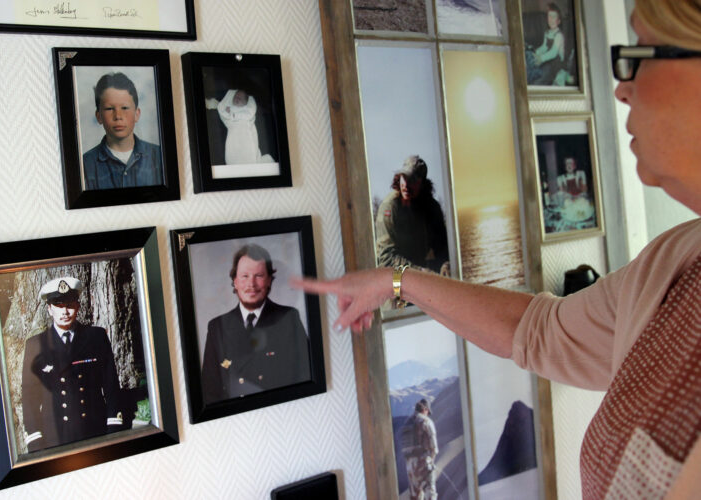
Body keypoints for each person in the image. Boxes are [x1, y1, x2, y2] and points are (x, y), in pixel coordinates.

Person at [292, 1, 701, 497]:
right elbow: (536, 331)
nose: (622, 86)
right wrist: (395, 280)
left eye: (639, 55)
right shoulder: (675, 262)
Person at [21, 277, 122, 453]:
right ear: (49, 309)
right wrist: (35, 439)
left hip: (94, 429)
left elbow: (111, 385)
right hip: (55, 435)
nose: (65, 311)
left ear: (78, 306)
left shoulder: (96, 337)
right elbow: (29, 398)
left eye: (69, 305)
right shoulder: (36, 345)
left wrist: (113, 425)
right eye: (59, 306)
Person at [201, 244, 311, 404]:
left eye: (258, 275)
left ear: (269, 281)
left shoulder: (288, 318)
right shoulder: (217, 327)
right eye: (245, 276)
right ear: (235, 281)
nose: (251, 284)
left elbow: (305, 377)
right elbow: (210, 391)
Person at [82, 72, 163, 190]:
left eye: (124, 108)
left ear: (137, 114)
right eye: (109, 109)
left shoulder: (159, 156)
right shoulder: (85, 164)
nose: (118, 116)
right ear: (99, 116)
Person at [375, 155, 450, 275]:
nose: (406, 185)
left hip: (420, 269)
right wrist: (420, 272)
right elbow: (386, 259)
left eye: (412, 180)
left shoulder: (431, 207)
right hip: (395, 275)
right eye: (404, 178)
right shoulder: (389, 208)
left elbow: (442, 247)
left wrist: (445, 265)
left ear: (422, 183)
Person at [205, 89, 275, 166]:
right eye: (236, 96)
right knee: (234, 149)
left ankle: (248, 162)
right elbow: (224, 114)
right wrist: (227, 110)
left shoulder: (247, 110)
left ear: (246, 103)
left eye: (240, 98)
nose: (237, 98)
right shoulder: (230, 108)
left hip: (245, 131)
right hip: (234, 132)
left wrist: (233, 114)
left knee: (248, 152)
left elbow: (248, 115)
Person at [400, 399, 439, 500]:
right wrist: (431, 461)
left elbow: (404, 448)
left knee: (415, 497)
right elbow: (434, 448)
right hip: (423, 464)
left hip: (410, 468)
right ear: (425, 409)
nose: (428, 414)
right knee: (431, 495)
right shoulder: (426, 421)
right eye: (428, 412)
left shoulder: (407, 423)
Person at [527, 2, 571, 86]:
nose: (551, 19)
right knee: (533, 67)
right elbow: (544, 47)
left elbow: (553, 53)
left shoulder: (559, 36)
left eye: (554, 17)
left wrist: (541, 58)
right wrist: (536, 52)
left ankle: (564, 77)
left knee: (545, 76)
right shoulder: (547, 33)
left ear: (558, 21)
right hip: (548, 62)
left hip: (557, 65)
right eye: (549, 16)